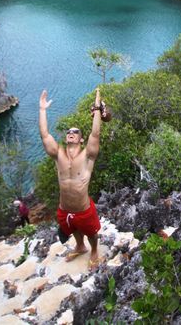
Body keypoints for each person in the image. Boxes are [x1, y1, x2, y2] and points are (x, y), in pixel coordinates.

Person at [39, 87, 107, 269]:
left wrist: (98, 110)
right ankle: (80, 245)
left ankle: (93, 250)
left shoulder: (87, 156)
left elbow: (96, 134)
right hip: (64, 209)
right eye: (69, 131)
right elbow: (45, 135)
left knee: (91, 232)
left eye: (76, 132)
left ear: (81, 140)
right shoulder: (58, 154)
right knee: (74, 229)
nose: (71, 132)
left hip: (83, 208)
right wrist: (42, 110)